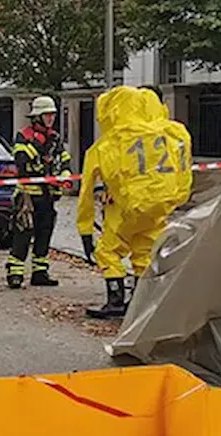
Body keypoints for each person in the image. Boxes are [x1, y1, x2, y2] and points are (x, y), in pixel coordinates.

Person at [76, 86, 192, 319]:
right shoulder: (173, 133)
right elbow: (184, 169)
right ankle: (140, 302)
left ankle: (115, 299)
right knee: (144, 251)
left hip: (126, 207)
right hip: (159, 206)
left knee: (108, 251)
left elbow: (86, 190)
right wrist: (177, 198)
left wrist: (85, 230)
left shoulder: (108, 143)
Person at [5, 96, 72, 288]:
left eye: (52, 115)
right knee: (23, 233)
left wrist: (64, 175)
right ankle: (15, 272)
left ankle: (40, 272)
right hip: (27, 196)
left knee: (45, 233)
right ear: (37, 117)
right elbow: (21, 160)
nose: (51, 118)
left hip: (48, 195)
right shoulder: (24, 136)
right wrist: (39, 145)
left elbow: (64, 159)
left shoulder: (55, 138)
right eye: (47, 115)